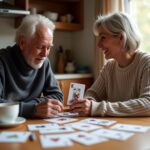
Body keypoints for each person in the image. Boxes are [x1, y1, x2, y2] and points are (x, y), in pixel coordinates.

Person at [70, 12, 150, 117]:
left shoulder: (146, 63)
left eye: (103, 37)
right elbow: (93, 94)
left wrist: (97, 107)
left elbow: (148, 104)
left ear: (121, 38)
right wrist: (85, 103)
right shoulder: (109, 67)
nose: (98, 45)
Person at [0, 14, 64, 118]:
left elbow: (57, 96)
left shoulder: (44, 62)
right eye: (40, 47)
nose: (45, 54)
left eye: (49, 48)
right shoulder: (1, 61)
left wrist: (33, 106)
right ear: (22, 43)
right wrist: (33, 108)